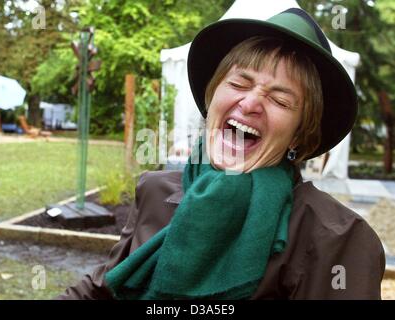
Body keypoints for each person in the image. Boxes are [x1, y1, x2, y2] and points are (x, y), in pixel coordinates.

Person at [58, 8, 385, 300]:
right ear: (213, 96)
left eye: (281, 100)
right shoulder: (156, 191)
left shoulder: (336, 239)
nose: (251, 103)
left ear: (299, 135)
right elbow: (100, 290)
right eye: (240, 83)